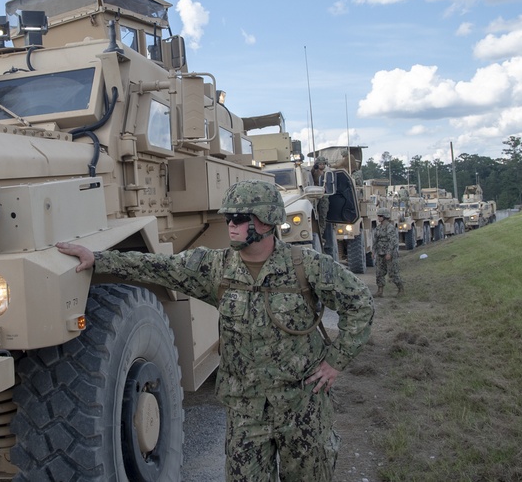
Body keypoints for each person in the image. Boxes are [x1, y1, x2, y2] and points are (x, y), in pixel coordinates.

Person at [56, 180, 374, 482]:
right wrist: (98, 260)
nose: (230, 224)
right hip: (246, 415)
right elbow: (156, 266)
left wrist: (335, 362)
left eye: (239, 217)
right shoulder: (216, 268)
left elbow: (360, 304)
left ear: (266, 221)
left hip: (303, 409)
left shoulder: (308, 267)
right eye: (228, 217)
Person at [372, 208, 403, 297]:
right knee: (379, 273)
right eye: (378, 216)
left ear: (385, 217)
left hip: (390, 254)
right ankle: (380, 291)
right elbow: (375, 240)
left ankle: (400, 289)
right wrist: (373, 251)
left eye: (380, 216)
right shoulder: (378, 228)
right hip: (380, 253)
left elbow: (392, 241)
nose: (378, 218)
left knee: (393, 272)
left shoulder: (390, 227)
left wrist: (389, 253)